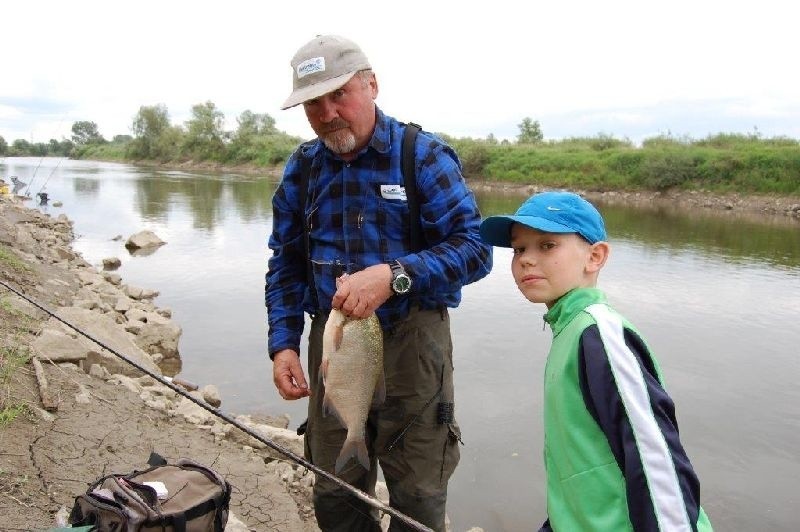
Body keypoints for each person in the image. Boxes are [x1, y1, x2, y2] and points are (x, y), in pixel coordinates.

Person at [266, 34, 493, 531]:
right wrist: (282, 343)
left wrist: (395, 277)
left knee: (417, 497)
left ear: (371, 85)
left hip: (413, 348)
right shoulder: (302, 169)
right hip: (335, 344)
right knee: (334, 491)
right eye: (312, 103)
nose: (326, 113)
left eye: (338, 95)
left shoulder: (423, 157)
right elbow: (285, 262)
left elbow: (475, 250)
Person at [479, 191, 713, 532]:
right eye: (519, 249)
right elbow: (583, 464)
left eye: (547, 246)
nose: (526, 260)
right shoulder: (568, 329)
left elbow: (656, 460)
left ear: (595, 256)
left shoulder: (599, 334)